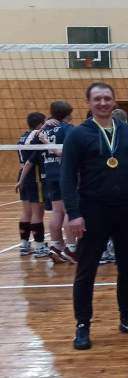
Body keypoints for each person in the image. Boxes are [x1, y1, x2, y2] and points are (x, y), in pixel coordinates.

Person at [62, 82, 128, 350]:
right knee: (86, 269)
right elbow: (67, 177)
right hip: (92, 210)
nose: (102, 103)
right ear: (88, 102)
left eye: (107, 98)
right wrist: (74, 214)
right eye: (97, 99)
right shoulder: (77, 135)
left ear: (114, 102)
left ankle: (127, 317)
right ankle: (82, 325)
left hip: (125, 209)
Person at [22, 102, 75, 263]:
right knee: (69, 211)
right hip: (65, 173)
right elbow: (63, 152)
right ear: (68, 114)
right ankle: (71, 248)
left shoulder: (45, 130)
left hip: (49, 173)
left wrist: (43, 127)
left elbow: (30, 144)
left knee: (57, 211)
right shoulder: (69, 129)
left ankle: (55, 246)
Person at [16, 112, 47, 257]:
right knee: (37, 212)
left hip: (22, 173)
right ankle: (39, 246)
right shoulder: (37, 136)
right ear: (40, 124)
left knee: (27, 211)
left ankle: (24, 245)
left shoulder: (22, 137)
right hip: (34, 174)